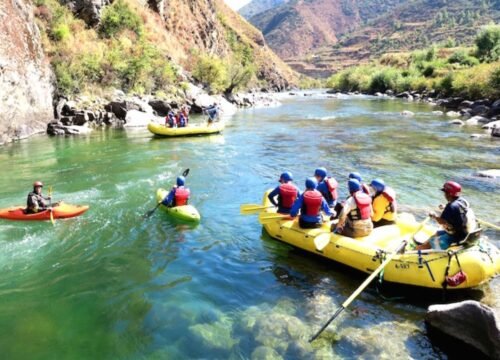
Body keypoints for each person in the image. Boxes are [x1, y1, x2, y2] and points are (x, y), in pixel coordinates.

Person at [417, 181, 477, 250]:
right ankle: (425, 245)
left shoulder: (451, 206)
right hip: (464, 233)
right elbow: (458, 209)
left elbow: (441, 222)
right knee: (437, 233)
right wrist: (445, 206)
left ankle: (420, 249)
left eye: (445, 192)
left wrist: (434, 215)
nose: (444, 194)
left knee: (429, 244)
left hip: (456, 236)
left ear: (449, 194)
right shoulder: (462, 201)